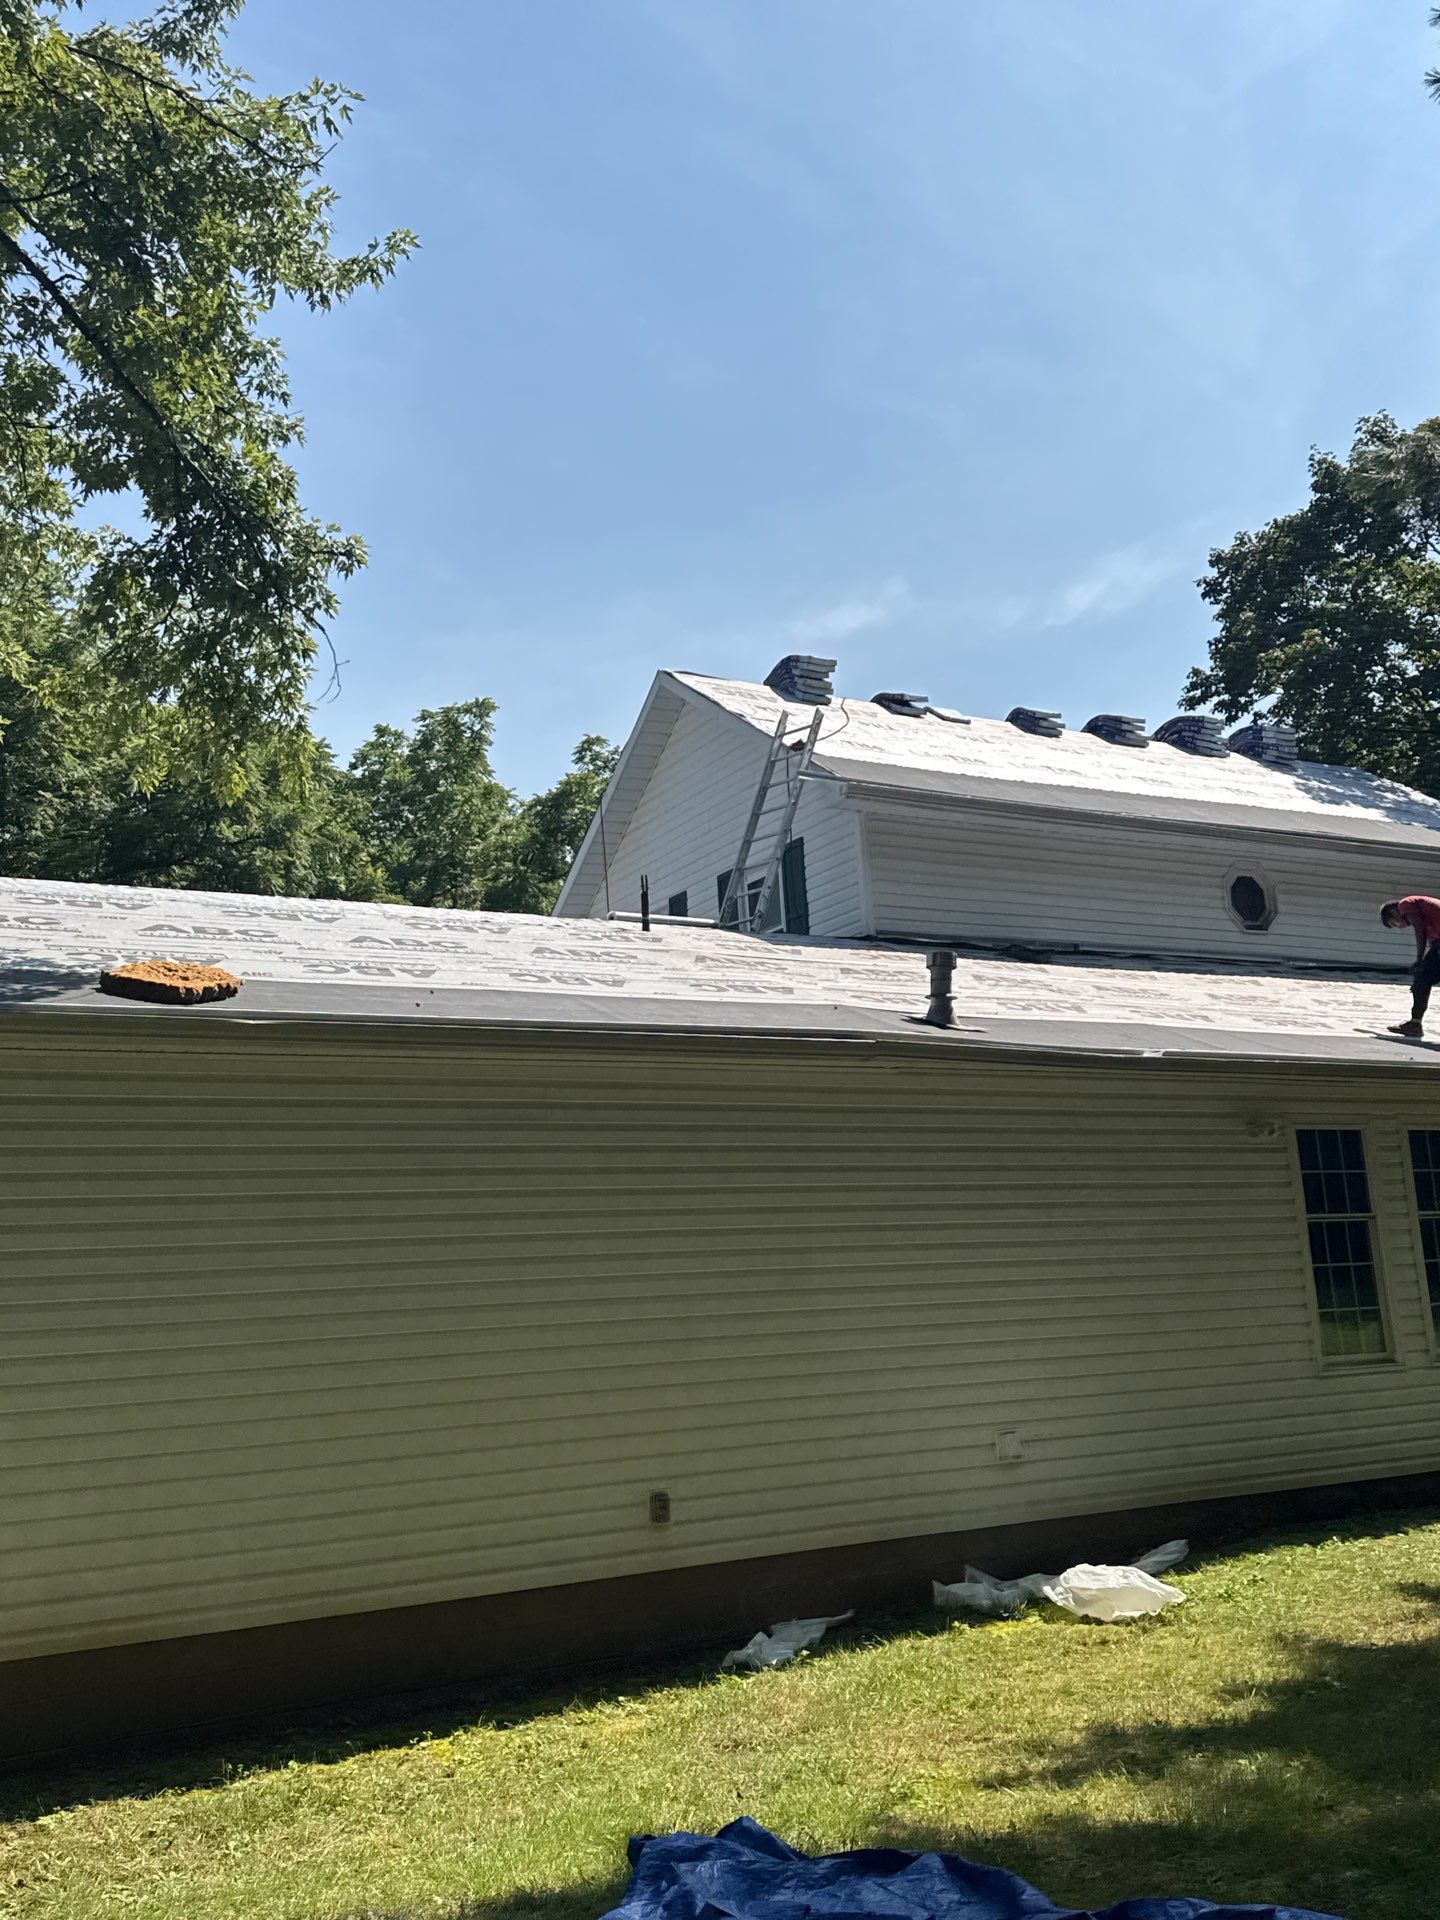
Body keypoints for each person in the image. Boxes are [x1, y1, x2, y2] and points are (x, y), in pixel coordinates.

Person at [1380, 895, 1440, 1036]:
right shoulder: (1430, 917)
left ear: (1394, 913)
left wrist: (1419, 960)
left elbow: (1420, 930)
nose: (1399, 927)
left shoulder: (1405, 904)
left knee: (1422, 978)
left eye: (1394, 923)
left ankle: (1415, 1024)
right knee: (1426, 975)